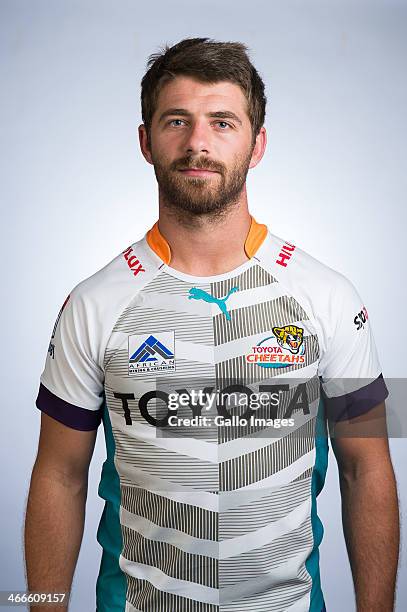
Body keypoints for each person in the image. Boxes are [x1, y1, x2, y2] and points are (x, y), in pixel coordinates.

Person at [25, 37, 399, 612]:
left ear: (258, 144)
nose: (198, 143)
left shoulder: (326, 296)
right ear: (146, 142)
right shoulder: (93, 304)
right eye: (177, 120)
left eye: (223, 122)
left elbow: (366, 467)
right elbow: (59, 477)